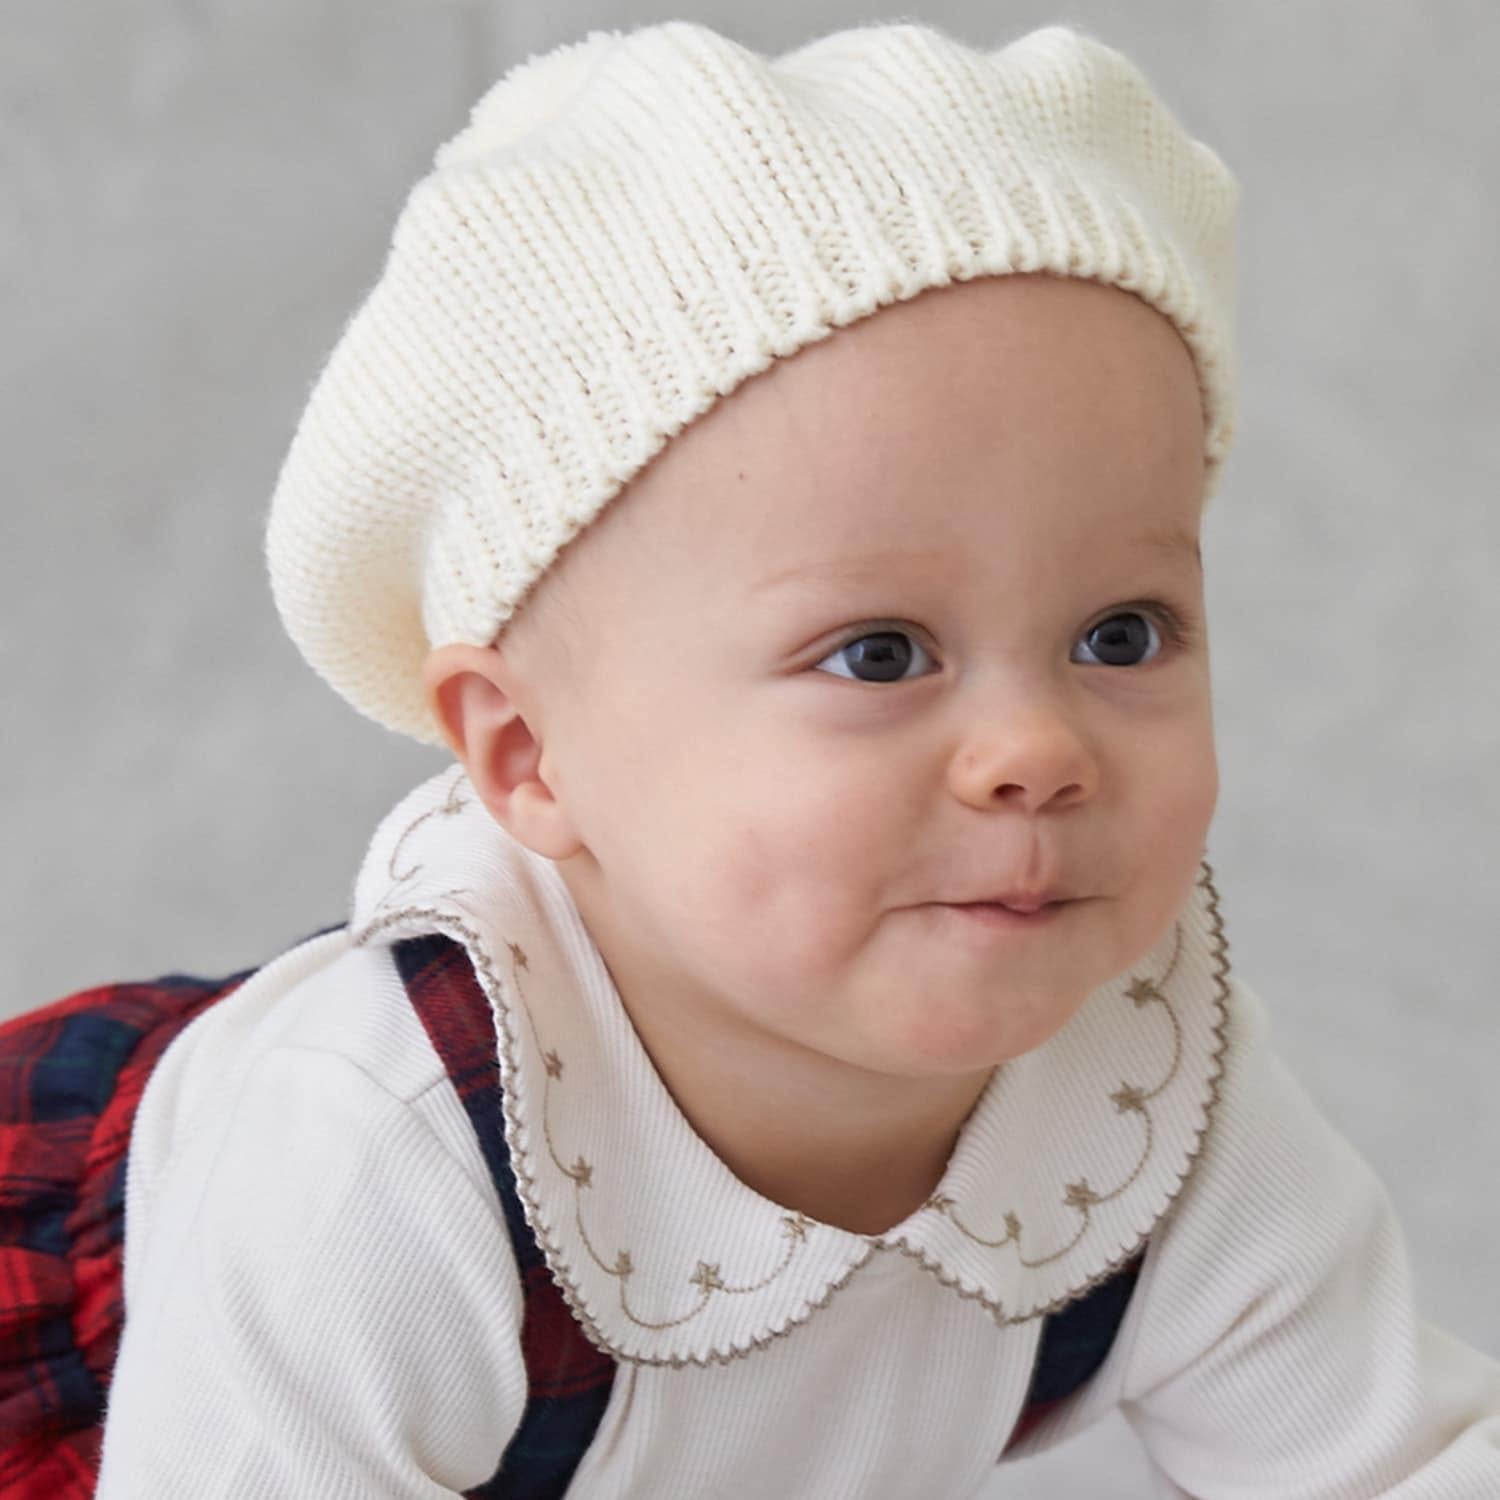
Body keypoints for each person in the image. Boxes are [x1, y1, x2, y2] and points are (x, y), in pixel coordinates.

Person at [3, 17, 1496, 1499]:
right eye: (880, 654)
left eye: (1121, 634)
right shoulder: (379, 1148)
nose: (1037, 750)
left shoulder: (1150, 1089)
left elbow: (1391, 1459)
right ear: (531, 756)